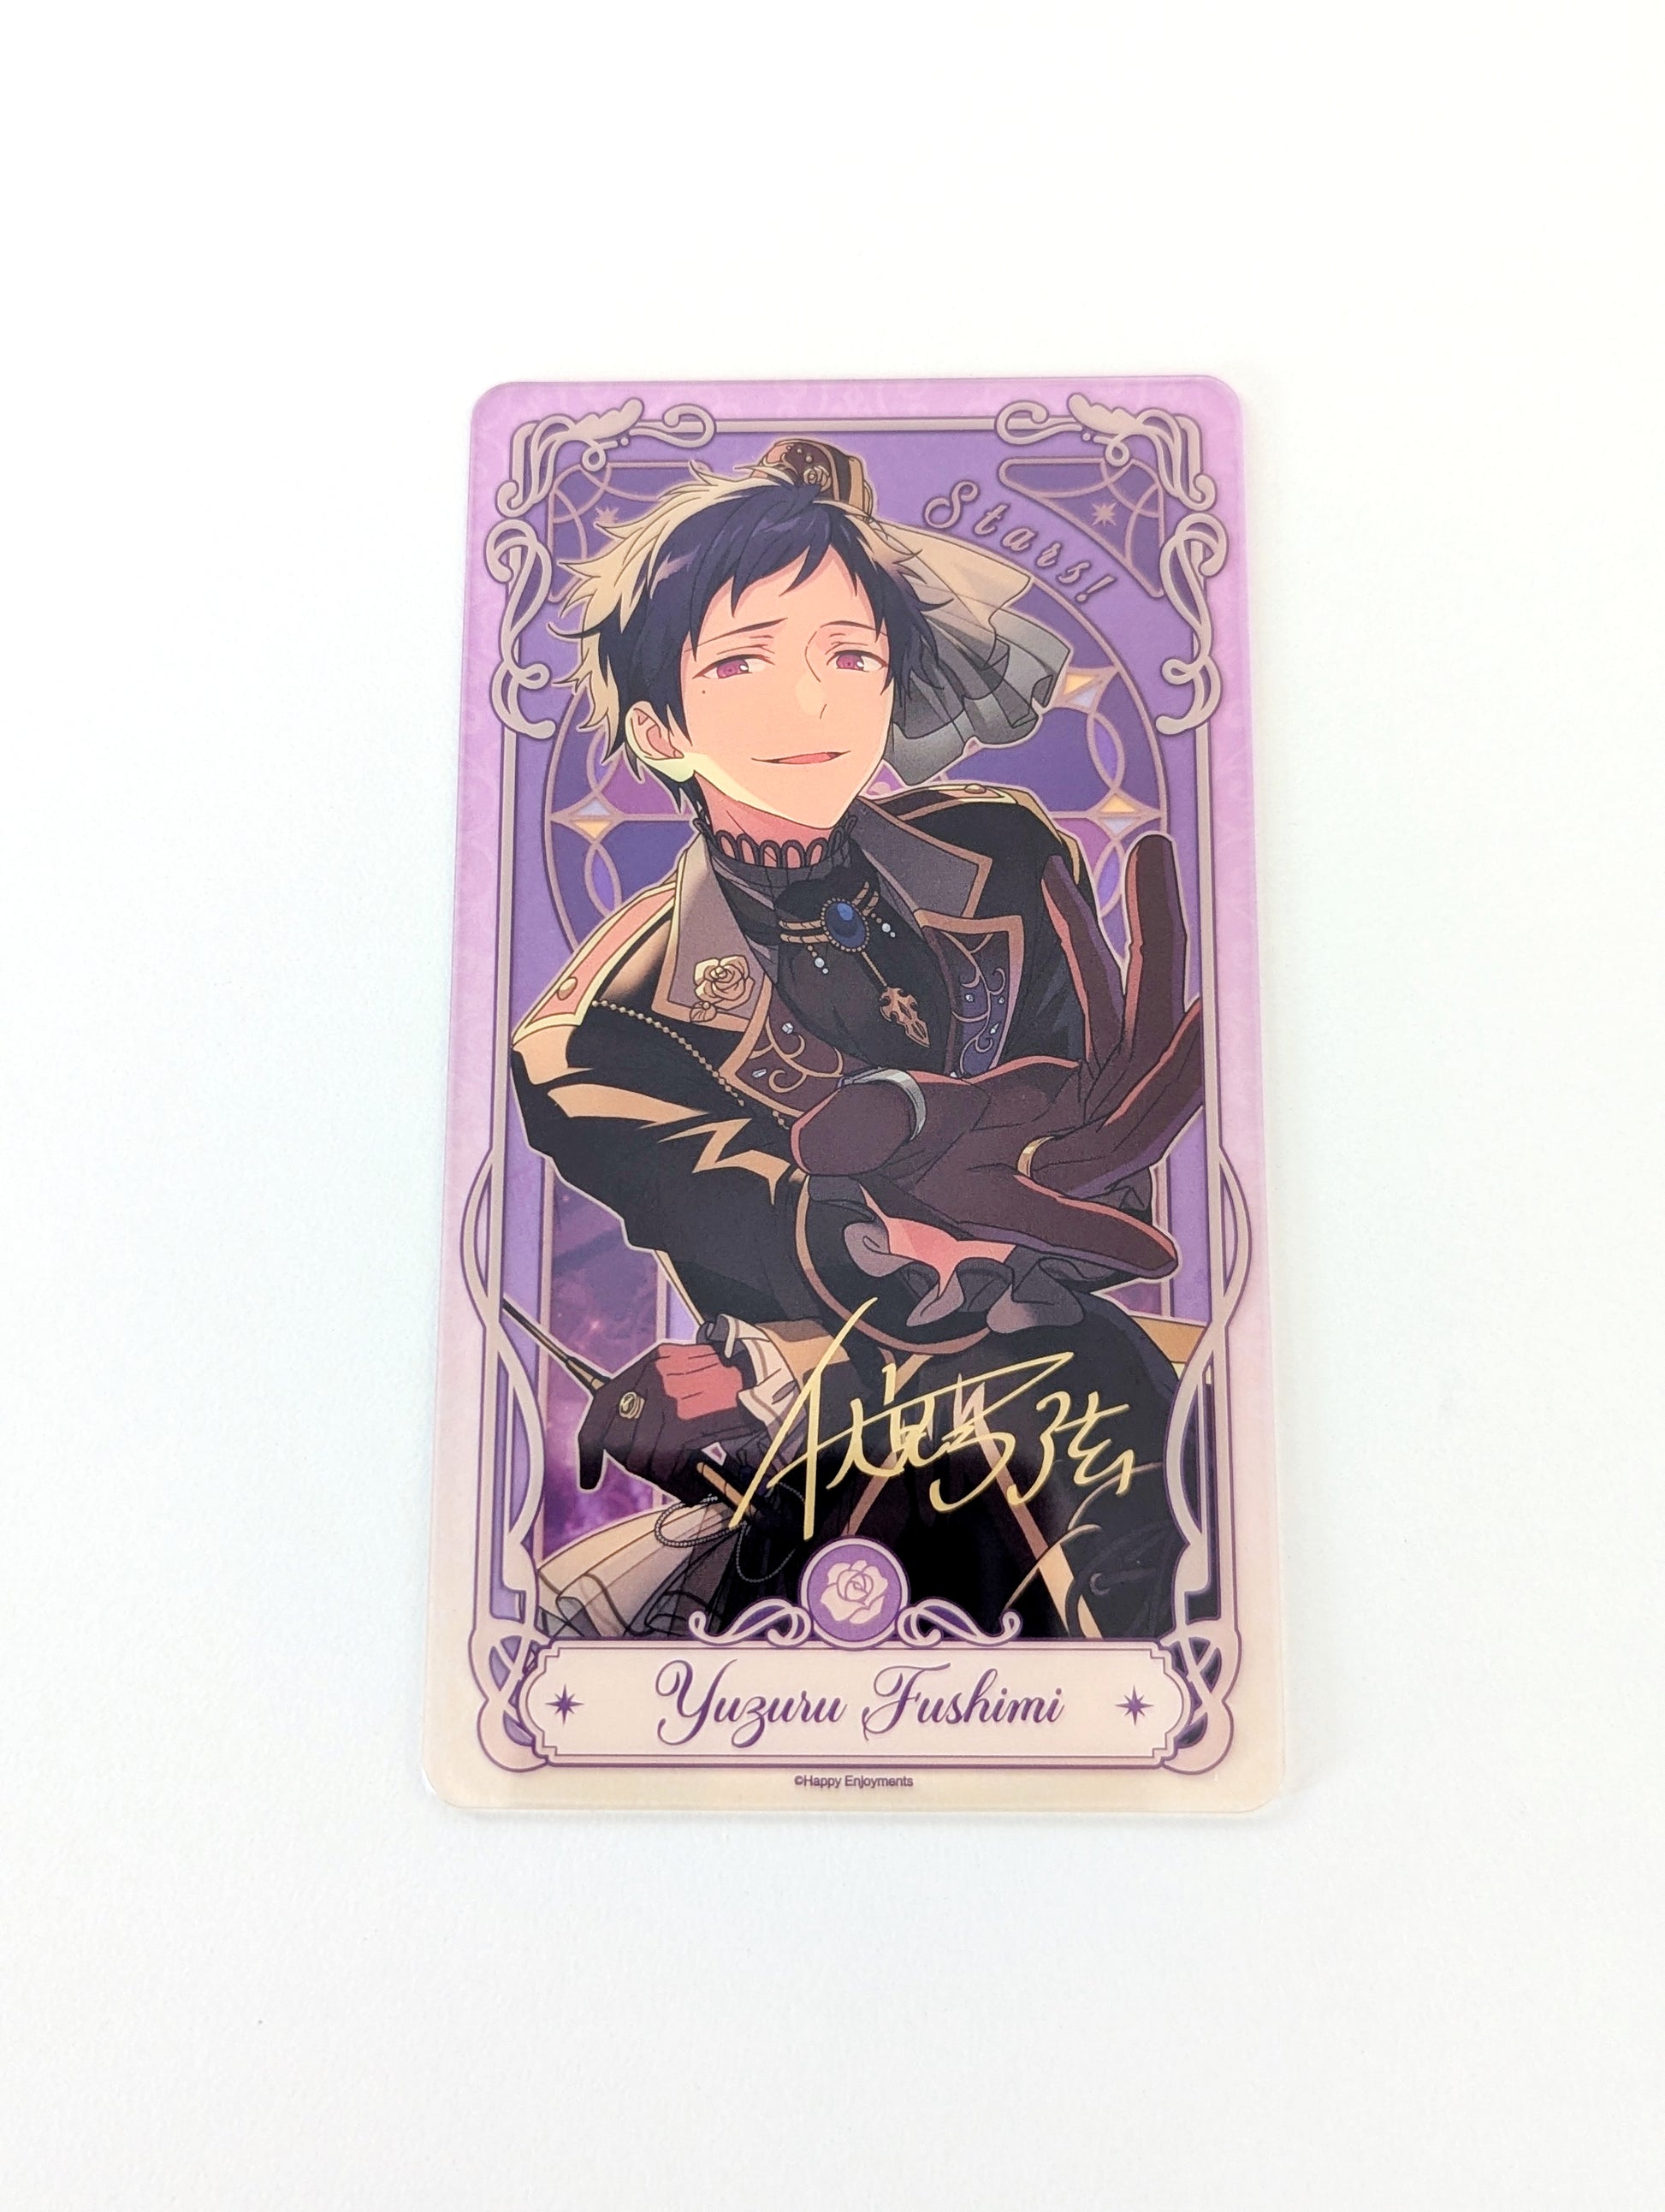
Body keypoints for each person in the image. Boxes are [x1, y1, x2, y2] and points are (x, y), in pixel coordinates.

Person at [511, 439, 1203, 1640]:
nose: (815, 702)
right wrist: (780, 1353)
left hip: (1093, 1396)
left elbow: (1105, 1180)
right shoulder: (603, 1026)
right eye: (744, 663)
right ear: (661, 729)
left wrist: (1054, 1185)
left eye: (850, 655)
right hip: (846, 1454)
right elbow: (783, 1230)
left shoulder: (1003, 857)